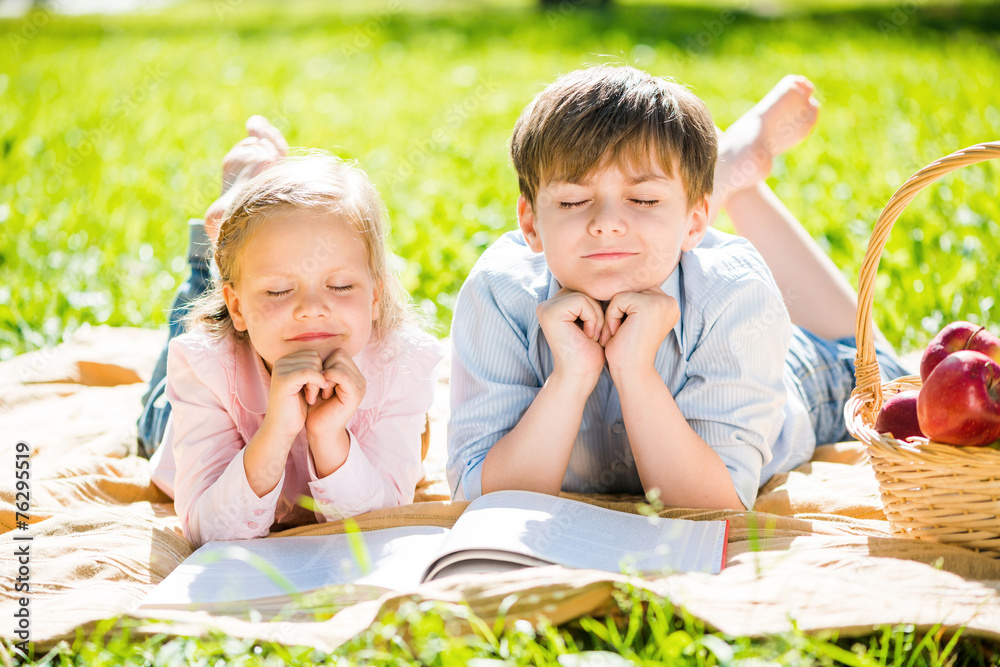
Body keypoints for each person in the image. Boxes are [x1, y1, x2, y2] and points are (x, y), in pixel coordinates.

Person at [446, 66, 910, 510]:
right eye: (573, 201)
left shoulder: (733, 291)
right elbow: (480, 495)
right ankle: (722, 170)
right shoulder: (500, 293)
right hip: (680, 238)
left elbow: (715, 503)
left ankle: (727, 173)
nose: (606, 224)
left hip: (800, 377)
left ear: (696, 225)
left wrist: (636, 372)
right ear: (530, 223)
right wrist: (570, 378)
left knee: (877, 369)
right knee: (661, 217)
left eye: (643, 198)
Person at [144, 132, 442, 546]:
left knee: (245, 265)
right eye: (280, 291)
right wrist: (275, 431)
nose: (311, 308)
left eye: (339, 286)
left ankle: (238, 224)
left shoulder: (404, 363)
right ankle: (209, 252)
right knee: (157, 412)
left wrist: (328, 436)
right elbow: (205, 529)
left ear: (375, 295)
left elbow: (379, 522)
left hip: (250, 307)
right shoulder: (205, 366)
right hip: (186, 410)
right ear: (239, 308)